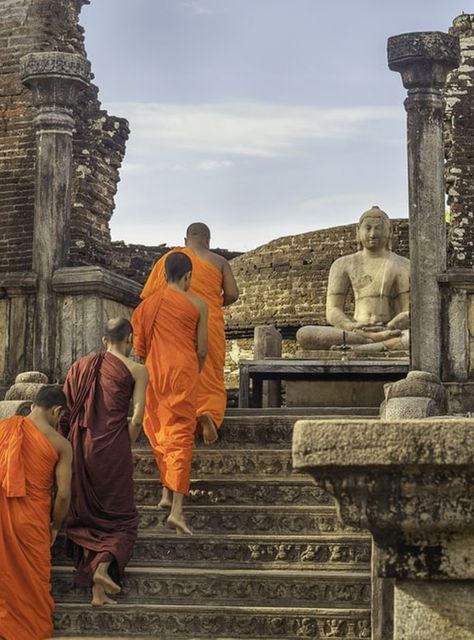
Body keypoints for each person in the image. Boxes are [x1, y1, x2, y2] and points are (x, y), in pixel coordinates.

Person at [60, 317, 148, 606]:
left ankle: (98, 591)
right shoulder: (137, 369)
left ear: (103, 340)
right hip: (114, 448)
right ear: (130, 339)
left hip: (81, 446)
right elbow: (136, 418)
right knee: (123, 520)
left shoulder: (79, 367)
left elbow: (66, 412)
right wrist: (123, 443)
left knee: (87, 516)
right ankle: (102, 568)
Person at [140, 222, 239, 443]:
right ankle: (209, 416)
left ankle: (179, 417)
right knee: (210, 375)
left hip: (176, 325)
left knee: (177, 373)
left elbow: (151, 297)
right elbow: (233, 293)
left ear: (186, 240)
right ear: (208, 240)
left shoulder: (170, 260)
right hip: (210, 321)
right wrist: (213, 302)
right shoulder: (220, 262)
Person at [132, 251, 208, 535]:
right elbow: (201, 350)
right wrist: (192, 371)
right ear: (188, 276)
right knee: (180, 437)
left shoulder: (145, 307)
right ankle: (176, 509)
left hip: (154, 374)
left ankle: (166, 493)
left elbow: (139, 351)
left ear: (163, 276)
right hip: (183, 375)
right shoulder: (198, 305)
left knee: (160, 430)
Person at [0, 385, 72, 640]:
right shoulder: (60, 444)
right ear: (57, 411)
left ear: (32, 406)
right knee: (33, 582)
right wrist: (55, 527)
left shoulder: (5, 428)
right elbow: (63, 495)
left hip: (3, 517)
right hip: (32, 521)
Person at [296, 206, 410, 352]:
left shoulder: (403, 265)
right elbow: (333, 310)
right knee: (304, 334)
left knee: (414, 337)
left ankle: (365, 347)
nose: (373, 234)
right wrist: (350, 326)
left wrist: (392, 325)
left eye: (379, 228)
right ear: (358, 231)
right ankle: (375, 343)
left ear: (390, 231)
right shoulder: (343, 264)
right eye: (367, 228)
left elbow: (409, 311)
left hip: (390, 330)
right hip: (355, 330)